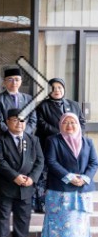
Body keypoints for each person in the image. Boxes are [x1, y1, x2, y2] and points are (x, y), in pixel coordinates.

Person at [41, 113, 96, 237]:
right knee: (61, 221)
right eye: (66, 122)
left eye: (73, 122)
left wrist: (84, 178)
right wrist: (69, 177)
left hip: (82, 189)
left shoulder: (88, 142)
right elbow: (51, 161)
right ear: (60, 124)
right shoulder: (53, 140)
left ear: (78, 125)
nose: (70, 126)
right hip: (61, 189)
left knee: (79, 223)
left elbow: (93, 163)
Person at [0, 109, 44, 237]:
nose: (19, 123)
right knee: (2, 214)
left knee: (23, 215)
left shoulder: (33, 139)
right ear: (7, 122)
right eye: (15, 120)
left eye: (22, 120)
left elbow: (40, 161)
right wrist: (15, 176)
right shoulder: (0, 138)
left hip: (26, 184)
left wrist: (32, 178)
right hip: (6, 183)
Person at [33, 78, 84, 212]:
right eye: (53, 88)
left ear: (64, 89)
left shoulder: (74, 105)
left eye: (59, 87)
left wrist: (74, 136)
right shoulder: (42, 105)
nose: (56, 90)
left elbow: (81, 123)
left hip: (71, 148)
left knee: (66, 174)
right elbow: (41, 123)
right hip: (49, 145)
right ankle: (42, 204)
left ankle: (66, 203)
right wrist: (61, 133)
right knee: (44, 176)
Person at [0, 68, 37, 135]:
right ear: (4, 82)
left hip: (25, 137)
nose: (14, 82)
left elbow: (33, 120)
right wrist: (11, 135)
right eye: (10, 79)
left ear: (21, 81)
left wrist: (23, 134)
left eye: (17, 79)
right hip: (5, 137)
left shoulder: (29, 99)